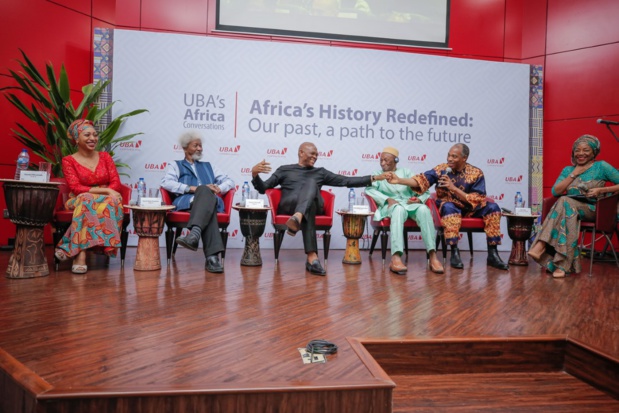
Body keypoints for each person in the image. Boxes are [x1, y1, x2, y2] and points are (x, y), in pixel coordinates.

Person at [251, 142, 389, 275]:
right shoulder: (284, 169)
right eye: (312, 153)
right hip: (289, 205)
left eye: (317, 155)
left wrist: (375, 178)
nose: (315, 157)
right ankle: (312, 258)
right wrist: (255, 174)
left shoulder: (320, 172)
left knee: (310, 190)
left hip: (311, 206)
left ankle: (298, 218)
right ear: (301, 152)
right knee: (308, 206)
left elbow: (346, 180)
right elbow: (263, 188)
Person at [387, 143, 509, 270]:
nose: (450, 159)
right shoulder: (442, 170)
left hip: (470, 208)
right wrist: (399, 180)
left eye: (454, 156)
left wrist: (453, 188)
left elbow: (478, 198)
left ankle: (492, 254)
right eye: (449, 155)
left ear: (464, 158)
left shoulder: (476, 173)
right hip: (449, 207)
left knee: (493, 208)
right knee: (449, 207)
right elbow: (421, 180)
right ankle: (454, 252)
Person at [528, 134, 619, 278]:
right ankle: (562, 266)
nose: (581, 153)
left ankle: (541, 245)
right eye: (577, 150)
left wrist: (602, 190)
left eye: (586, 150)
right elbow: (555, 191)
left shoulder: (601, 167)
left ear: (594, 152)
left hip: (595, 209)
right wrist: (574, 174)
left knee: (565, 202)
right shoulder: (568, 170)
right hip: (570, 210)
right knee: (567, 206)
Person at [54, 119, 124, 274]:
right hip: (78, 198)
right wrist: (105, 191)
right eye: (87, 135)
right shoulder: (68, 161)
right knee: (87, 199)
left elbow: (115, 184)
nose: (93, 138)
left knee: (110, 201)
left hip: (105, 200)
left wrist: (109, 193)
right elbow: (76, 188)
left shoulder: (105, 157)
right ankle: (80, 254)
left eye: (95, 134)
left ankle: (68, 247)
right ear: (76, 139)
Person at [161, 131, 235, 273]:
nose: (200, 148)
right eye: (196, 145)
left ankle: (194, 235)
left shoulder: (209, 166)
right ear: (185, 147)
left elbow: (230, 181)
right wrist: (193, 188)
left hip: (210, 201)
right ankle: (212, 258)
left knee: (207, 197)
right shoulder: (175, 165)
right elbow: (166, 183)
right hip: (188, 202)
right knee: (205, 194)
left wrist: (219, 188)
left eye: (200, 146)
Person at [364, 147, 444, 275]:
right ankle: (396, 257)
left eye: (386, 160)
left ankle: (433, 256)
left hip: (409, 203)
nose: (383, 163)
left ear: (396, 160)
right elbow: (369, 190)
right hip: (391, 206)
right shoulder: (378, 174)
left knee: (424, 209)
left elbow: (423, 188)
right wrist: (387, 199)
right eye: (381, 160)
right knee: (398, 210)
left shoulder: (406, 172)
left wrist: (419, 200)